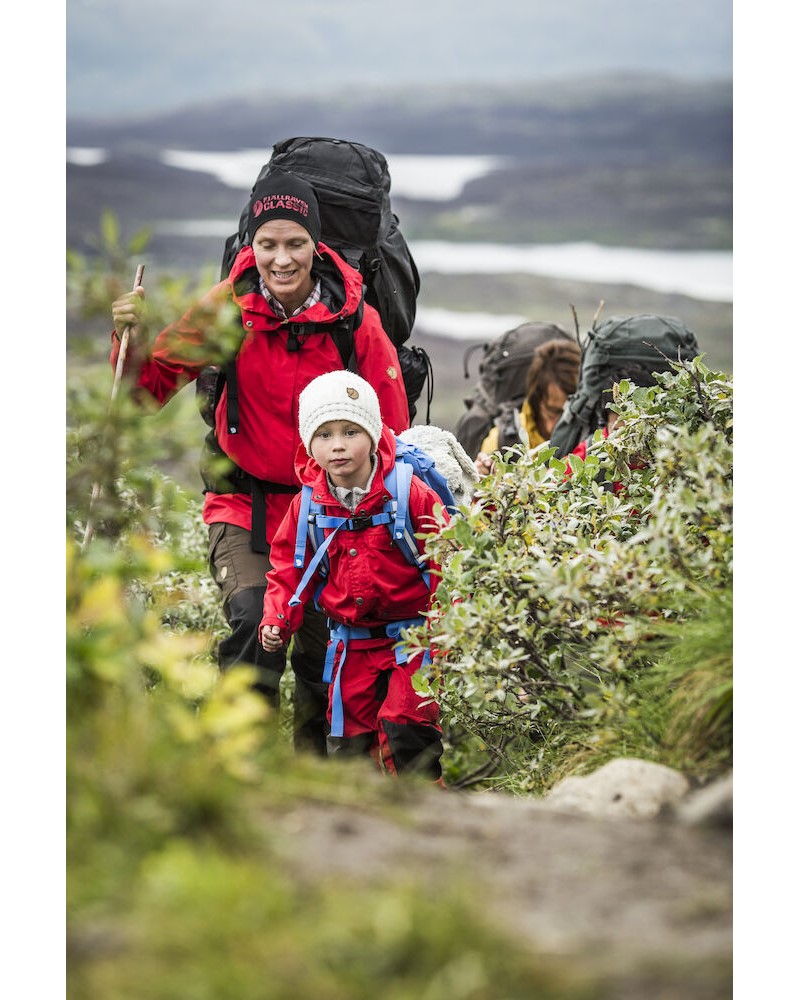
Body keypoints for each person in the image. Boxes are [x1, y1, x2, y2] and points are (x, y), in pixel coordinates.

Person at [110, 170, 410, 755]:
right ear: (250, 244)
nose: (281, 258)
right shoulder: (227, 308)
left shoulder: (356, 321)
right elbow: (143, 393)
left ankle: (314, 783)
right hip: (243, 506)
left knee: (326, 650)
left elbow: (392, 435)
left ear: (316, 245)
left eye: (295, 243)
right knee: (254, 624)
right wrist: (127, 339)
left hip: (330, 516)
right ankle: (242, 771)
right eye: (267, 243)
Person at [259, 370, 446, 780]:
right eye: (323, 435)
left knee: (407, 731)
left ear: (373, 432)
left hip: (413, 641)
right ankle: (360, 832)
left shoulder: (408, 493)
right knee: (348, 747)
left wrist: (450, 631)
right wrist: (277, 619)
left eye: (350, 431)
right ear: (309, 443)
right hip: (350, 647)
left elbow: (448, 562)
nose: (338, 445)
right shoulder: (309, 506)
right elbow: (289, 570)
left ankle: (423, 825)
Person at [475, 337, 580, 476]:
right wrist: (482, 476)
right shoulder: (502, 441)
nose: (551, 426)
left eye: (564, 415)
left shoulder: (592, 444)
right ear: (535, 398)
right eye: (549, 412)